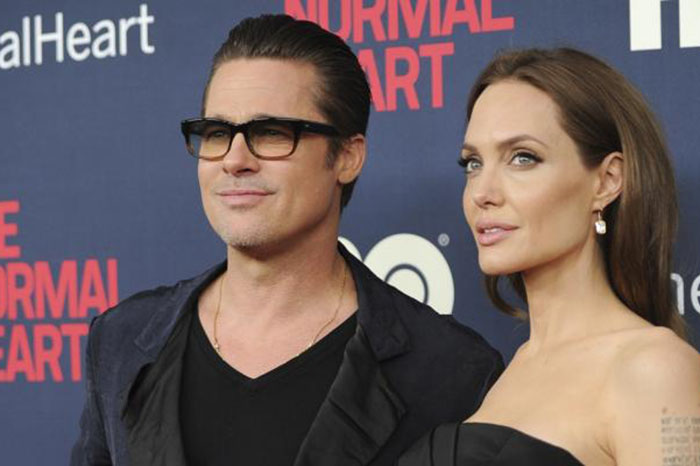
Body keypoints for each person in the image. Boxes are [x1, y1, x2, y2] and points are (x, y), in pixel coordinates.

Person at [70, 14, 503, 466]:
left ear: (347, 157)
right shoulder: (120, 342)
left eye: (272, 133)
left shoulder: (451, 372)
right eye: (217, 134)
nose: (235, 159)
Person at [398, 48, 700, 466]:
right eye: (473, 163)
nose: (482, 192)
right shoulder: (508, 372)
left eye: (522, 158)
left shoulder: (653, 368)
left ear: (607, 181)